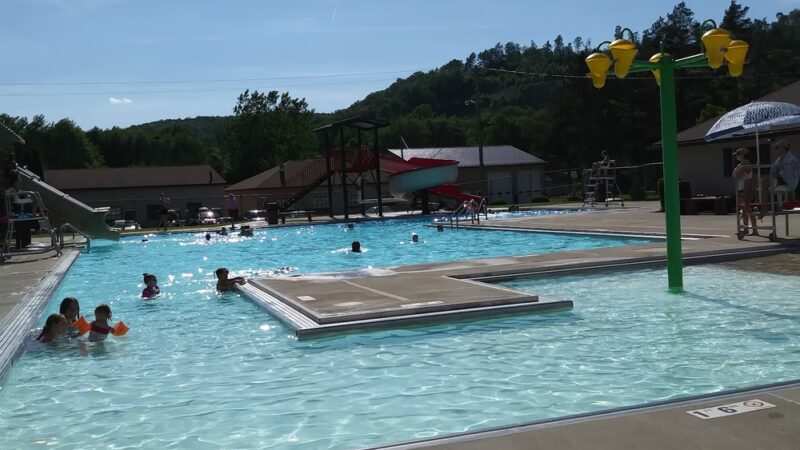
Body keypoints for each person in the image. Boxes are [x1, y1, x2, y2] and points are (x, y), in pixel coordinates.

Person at [734, 148, 758, 236]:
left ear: (742, 155)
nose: (736, 156)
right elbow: (736, 175)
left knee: (749, 210)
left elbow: (738, 175)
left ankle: (754, 230)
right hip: (742, 189)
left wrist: (738, 168)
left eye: (738, 154)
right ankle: (746, 229)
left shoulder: (745, 163)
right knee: (744, 210)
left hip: (746, 189)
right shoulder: (741, 164)